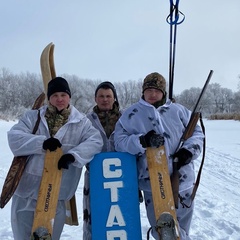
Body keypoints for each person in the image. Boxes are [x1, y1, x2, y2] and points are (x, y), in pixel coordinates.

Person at [7, 77, 103, 240]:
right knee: (22, 236)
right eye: (55, 95)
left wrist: (73, 156)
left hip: (57, 192)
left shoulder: (81, 122)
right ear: (49, 98)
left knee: (49, 236)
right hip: (26, 192)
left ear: (69, 97)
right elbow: (14, 138)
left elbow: (95, 141)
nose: (59, 99)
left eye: (63, 95)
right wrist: (42, 143)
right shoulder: (33, 117)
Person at [114, 72, 204, 240]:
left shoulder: (179, 111)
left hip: (182, 181)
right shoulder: (131, 113)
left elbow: (197, 134)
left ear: (163, 92)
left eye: (157, 90)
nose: (153, 94)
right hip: (152, 185)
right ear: (143, 91)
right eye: (149, 90)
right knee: (161, 230)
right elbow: (119, 141)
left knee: (182, 229)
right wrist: (141, 141)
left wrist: (188, 152)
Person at [82, 81, 121, 240]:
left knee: (120, 214)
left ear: (114, 98)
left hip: (121, 176)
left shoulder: (125, 118)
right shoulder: (86, 120)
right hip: (95, 175)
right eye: (101, 96)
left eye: (108, 96)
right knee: (93, 215)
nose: (105, 99)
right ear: (95, 98)